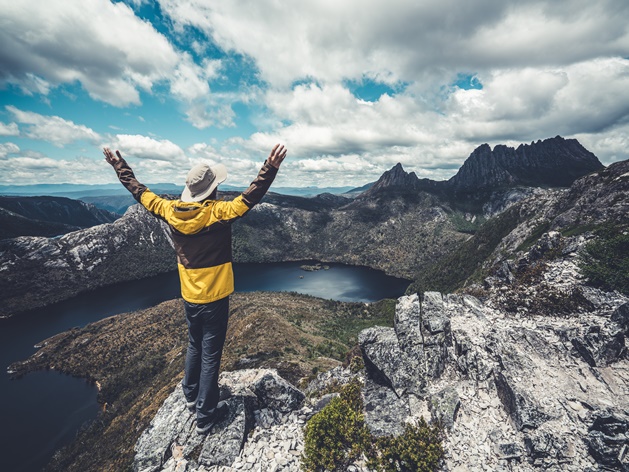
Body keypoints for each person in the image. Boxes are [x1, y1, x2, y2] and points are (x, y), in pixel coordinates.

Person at [104, 144, 287, 434]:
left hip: (189, 296)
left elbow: (139, 192)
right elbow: (250, 198)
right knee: (211, 354)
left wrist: (120, 167)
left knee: (194, 344)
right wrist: (270, 167)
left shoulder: (169, 209)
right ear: (212, 190)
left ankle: (190, 395)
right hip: (215, 299)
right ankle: (205, 415)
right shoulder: (218, 213)